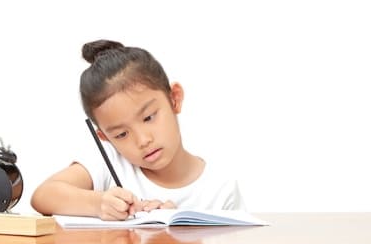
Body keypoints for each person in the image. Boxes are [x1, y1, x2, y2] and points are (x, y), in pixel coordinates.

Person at [30, 39, 245, 220]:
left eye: (149, 117)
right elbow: (44, 195)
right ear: (104, 137)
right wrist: (99, 203)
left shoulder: (220, 189)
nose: (142, 140)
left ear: (175, 99)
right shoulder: (110, 163)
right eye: (121, 135)